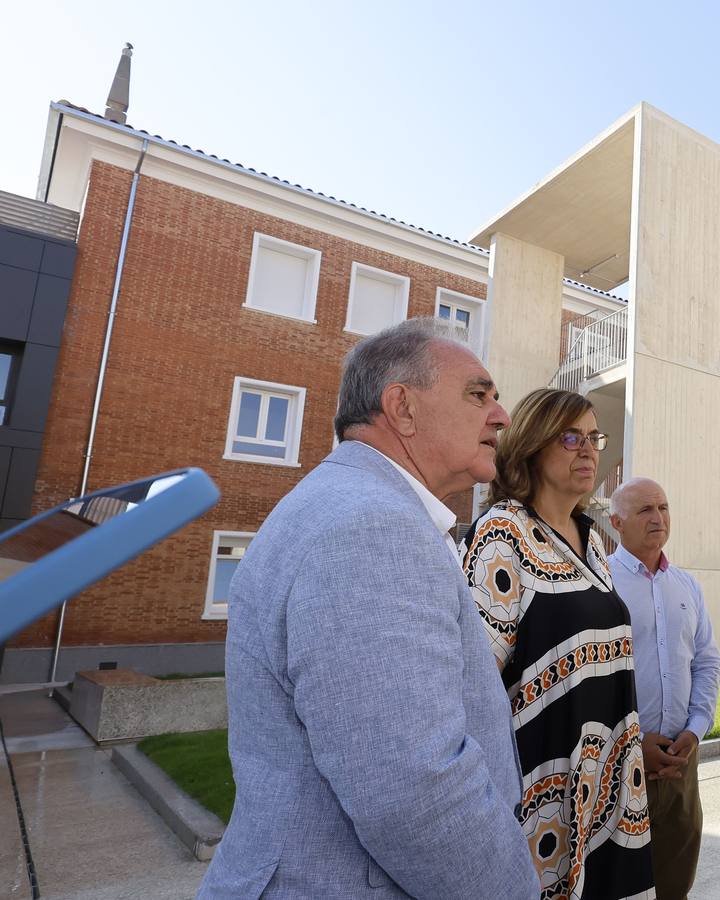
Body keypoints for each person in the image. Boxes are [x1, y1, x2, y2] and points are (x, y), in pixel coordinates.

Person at [198, 318, 538, 898]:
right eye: (478, 394)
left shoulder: (351, 507)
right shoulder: (372, 528)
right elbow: (414, 794)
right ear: (401, 408)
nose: (501, 415)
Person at [463, 388, 654, 899]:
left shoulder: (591, 538)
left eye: (595, 437)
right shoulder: (502, 534)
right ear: (531, 445)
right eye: (571, 437)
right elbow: (472, 683)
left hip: (611, 776)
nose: (589, 449)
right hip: (539, 788)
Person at [607, 477, 720, 900]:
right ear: (617, 521)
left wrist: (695, 730)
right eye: (645, 510)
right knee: (619, 884)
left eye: (664, 507)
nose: (658, 517)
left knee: (675, 883)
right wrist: (633, 742)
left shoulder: (687, 586)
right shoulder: (600, 583)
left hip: (680, 764)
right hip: (617, 763)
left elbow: (707, 661)